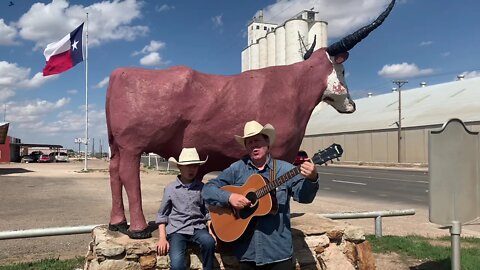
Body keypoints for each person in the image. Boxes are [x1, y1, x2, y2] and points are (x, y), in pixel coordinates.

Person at [202, 120, 319, 269]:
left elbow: (305, 197)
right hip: (246, 253)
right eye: (249, 142)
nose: (253, 145)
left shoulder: (284, 170)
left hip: (278, 253)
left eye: (257, 141)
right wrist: (230, 197)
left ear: (267, 143)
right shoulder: (237, 169)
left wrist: (312, 179)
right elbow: (208, 190)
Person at [156, 147, 216, 270]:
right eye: (188, 166)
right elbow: (162, 215)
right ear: (180, 167)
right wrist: (162, 238)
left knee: (209, 242)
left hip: (198, 228)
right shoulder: (171, 189)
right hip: (177, 230)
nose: (191, 169)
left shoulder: (201, 187)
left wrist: (211, 231)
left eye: (194, 166)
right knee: (177, 264)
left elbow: (207, 212)